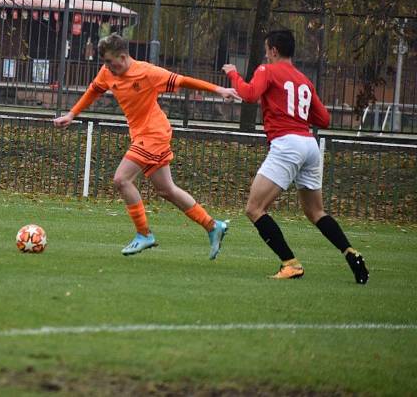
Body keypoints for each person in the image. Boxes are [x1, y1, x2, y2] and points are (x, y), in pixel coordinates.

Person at [53, 33, 238, 258]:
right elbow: (94, 90)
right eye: (105, 63)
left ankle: (144, 234)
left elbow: (183, 80)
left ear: (123, 56)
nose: (107, 67)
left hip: (153, 134)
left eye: (110, 62)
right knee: (167, 190)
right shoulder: (107, 72)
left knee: (121, 179)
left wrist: (219, 90)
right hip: (142, 135)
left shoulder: (147, 72)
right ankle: (212, 226)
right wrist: (72, 114)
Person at [222, 29, 369, 283]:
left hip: (287, 144)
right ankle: (351, 252)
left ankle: (290, 264)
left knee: (254, 208)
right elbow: (324, 119)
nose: (267, 55)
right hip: (310, 145)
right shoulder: (304, 79)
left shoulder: (267, 71)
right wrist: (297, 116)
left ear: (274, 51)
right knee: (316, 213)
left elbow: (249, 95)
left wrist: (233, 73)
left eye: (268, 50)